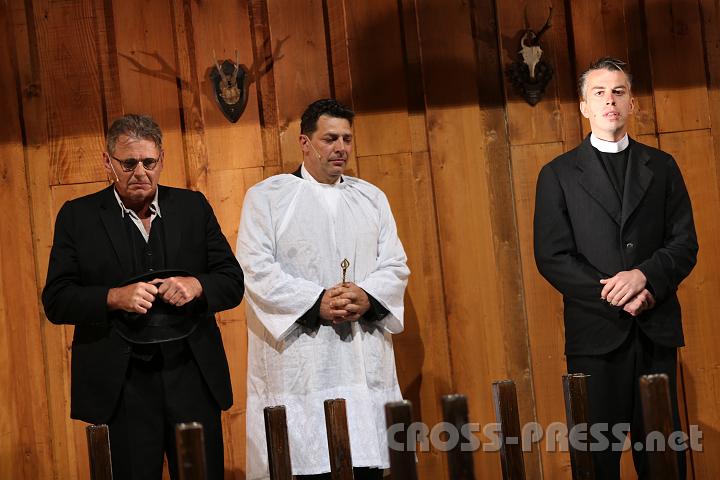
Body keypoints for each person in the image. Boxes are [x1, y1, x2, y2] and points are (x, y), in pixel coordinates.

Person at [42, 114, 244, 479]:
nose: (140, 172)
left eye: (149, 163)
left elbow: (231, 281)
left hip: (192, 375)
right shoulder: (77, 216)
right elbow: (56, 299)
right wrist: (113, 297)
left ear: (161, 160)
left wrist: (196, 286)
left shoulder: (193, 207)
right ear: (108, 162)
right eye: (128, 163)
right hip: (122, 385)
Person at [533, 57, 698, 479]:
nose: (610, 101)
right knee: (596, 458)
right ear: (584, 106)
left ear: (632, 104)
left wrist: (644, 277)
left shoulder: (661, 167)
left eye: (619, 92)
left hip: (654, 325)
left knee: (663, 455)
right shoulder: (557, 174)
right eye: (600, 93)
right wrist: (615, 292)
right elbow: (552, 257)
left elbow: (684, 244)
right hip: (595, 333)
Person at [236, 99, 409, 479]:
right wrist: (317, 302)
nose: (341, 148)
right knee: (304, 465)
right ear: (304, 142)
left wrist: (366, 296)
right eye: (330, 138)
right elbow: (255, 269)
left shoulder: (371, 197)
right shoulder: (268, 197)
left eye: (347, 138)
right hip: (301, 364)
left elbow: (395, 264)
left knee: (366, 465)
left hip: (363, 361)